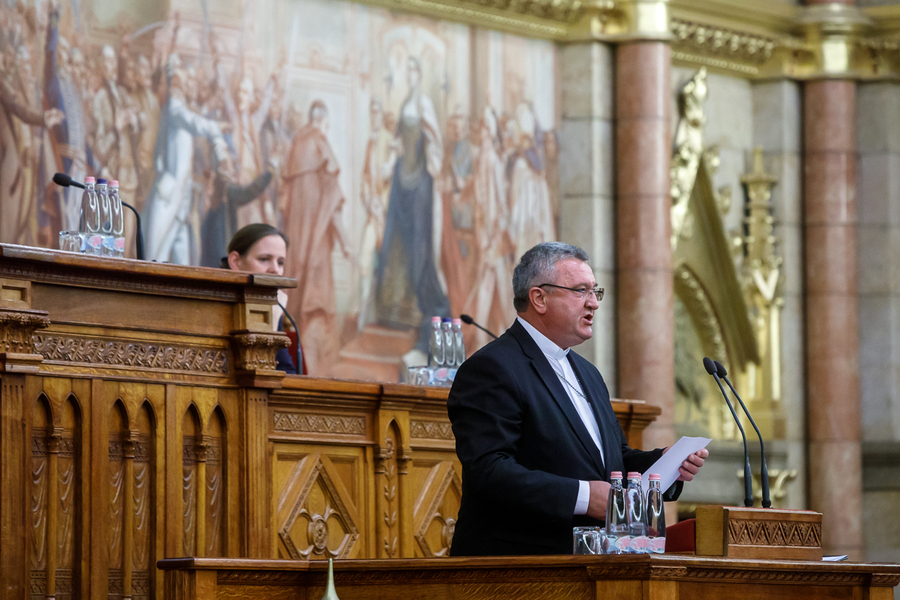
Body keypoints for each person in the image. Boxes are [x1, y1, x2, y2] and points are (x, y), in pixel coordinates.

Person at [447, 242, 708, 556]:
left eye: (595, 292)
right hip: (519, 566)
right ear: (539, 298)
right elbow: (489, 471)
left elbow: (613, 463)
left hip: (590, 564)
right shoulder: (492, 368)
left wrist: (664, 464)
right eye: (581, 291)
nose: (593, 304)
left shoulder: (587, 373)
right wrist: (584, 496)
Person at [223, 223, 300, 374]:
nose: (275, 269)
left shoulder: (271, 304)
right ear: (235, 261)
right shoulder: (214, 298)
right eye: (264, 259)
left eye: (280, 262)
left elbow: (286, 369)